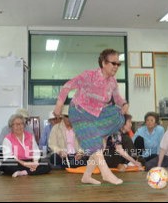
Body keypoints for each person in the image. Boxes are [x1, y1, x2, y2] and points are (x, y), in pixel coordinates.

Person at [53, 48, 129, 185]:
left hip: (96, 114)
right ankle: (106, 173)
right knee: (95, 142)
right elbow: (67, 86)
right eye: (114, 63)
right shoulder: (89, 76)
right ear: (104, 63)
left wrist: (124, 104)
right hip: (79, 112)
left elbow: (118, 98)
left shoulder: (112, 82)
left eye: (119, 64)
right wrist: (59, 105)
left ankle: (86, 176)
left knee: (106, 136)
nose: (116, 67)